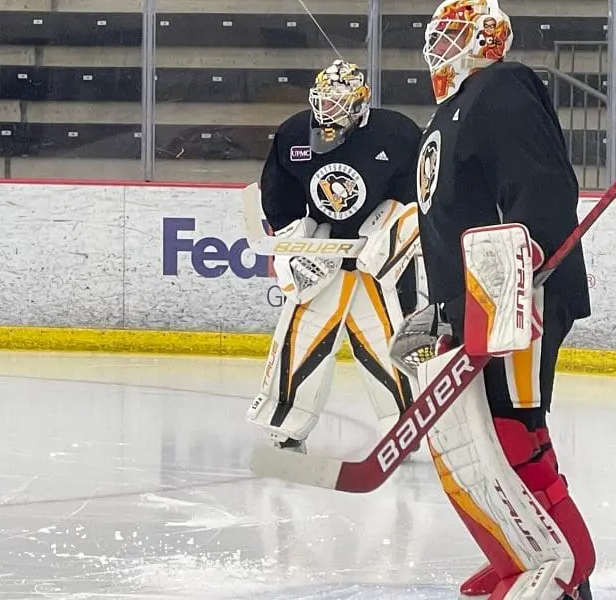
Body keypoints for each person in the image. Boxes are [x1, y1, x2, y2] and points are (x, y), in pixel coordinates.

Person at [410, 1, 595, 598]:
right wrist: (439, 305)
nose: (440, 44)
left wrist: (524, 267)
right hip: (478, 302)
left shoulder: (501, 87)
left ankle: (566, 572)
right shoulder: (454, 109)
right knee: (475, 445)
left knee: (513, 436)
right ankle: (520, 554)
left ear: (486, 38)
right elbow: (450, 217)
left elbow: (541, 184)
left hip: (518, 298)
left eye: (454, 33)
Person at [245, 60, 423, 453]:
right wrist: (294, 240)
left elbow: (419, 194)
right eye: (324, 101)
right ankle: (285, 423)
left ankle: (405, 426)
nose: (329, 111)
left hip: (376, 262)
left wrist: (394, 231)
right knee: (302, 339)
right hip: (323, 257)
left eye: (340, 103)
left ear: (361, 104)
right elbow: (279, 194)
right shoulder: (294, 133)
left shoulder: (397, 133)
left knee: (386, 343)